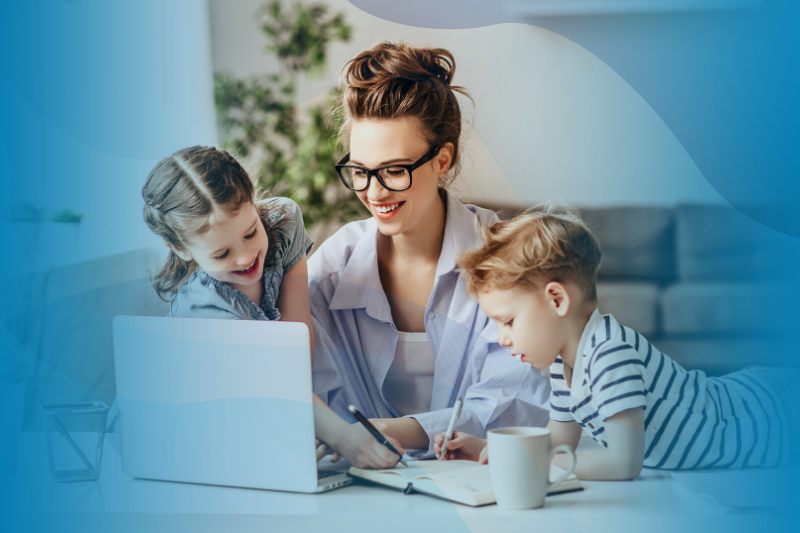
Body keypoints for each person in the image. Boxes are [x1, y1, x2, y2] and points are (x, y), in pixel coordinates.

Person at [308, 42, 551, 459]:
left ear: (442, 160)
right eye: (361, 172)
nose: (375, 191)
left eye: (395, 170)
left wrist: (380, 432)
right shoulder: (332, 269)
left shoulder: (506, 256)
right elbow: (285, 374)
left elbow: (514, 403)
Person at [434, 203, 797, 480]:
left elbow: (624, 462)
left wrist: (531, 464)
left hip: (764, 416)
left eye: (508, 321)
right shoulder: (564, 365)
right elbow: (560, 445)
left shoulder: (609, 353)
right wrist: (490, 448)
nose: (503, 338)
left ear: (557, 299)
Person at [141, 145, 405, 468]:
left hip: (281, 407)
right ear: (181, 249)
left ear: (253, 200)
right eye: (221, 254)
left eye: (251, 233)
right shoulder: (202, 308)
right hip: (197, 437)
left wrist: (317, 428)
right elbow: (269, 379)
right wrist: (343, 437)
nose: (245, 257)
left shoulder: (283, 222)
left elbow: (297, 345)